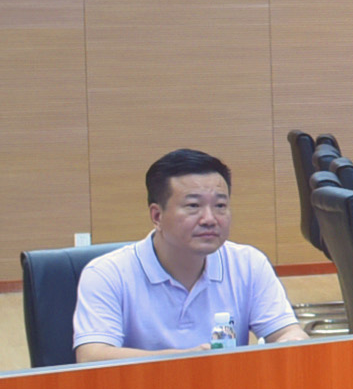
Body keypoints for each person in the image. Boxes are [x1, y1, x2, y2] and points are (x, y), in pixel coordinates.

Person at [73, 149, 306, 361]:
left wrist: (292, 341)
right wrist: (186, 361)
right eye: (193, 206)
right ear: (157, 216)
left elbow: (287, 332)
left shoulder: (248, 264)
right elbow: (92, 356)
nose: (210, 219)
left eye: (220, 206)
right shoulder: (107, 273)